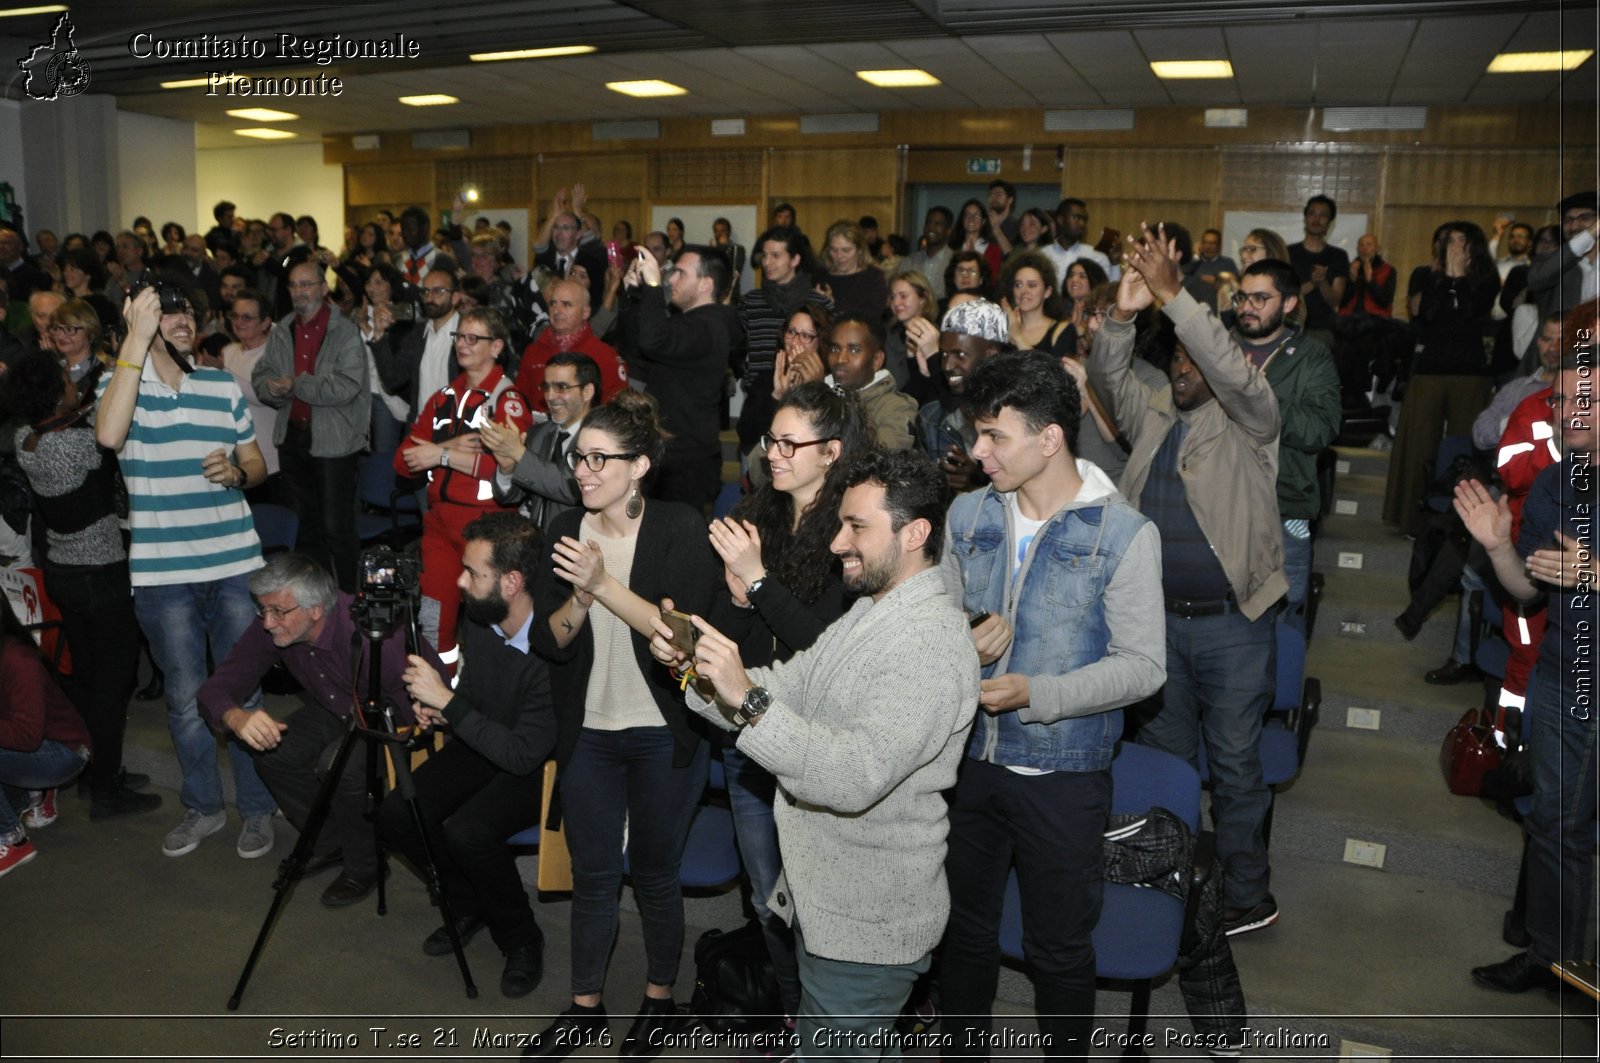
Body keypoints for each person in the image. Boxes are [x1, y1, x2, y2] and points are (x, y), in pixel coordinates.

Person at [649, 447, 979, 1056]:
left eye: (857, 527)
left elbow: (850, 775)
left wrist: (745, 698)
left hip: (867, 925)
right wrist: (699, 670)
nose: (837, 544)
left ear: (917, 533)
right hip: (826, 907)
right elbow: (787, 685)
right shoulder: (872, 614)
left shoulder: (928, 645)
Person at [939, 349, 1165, 1059]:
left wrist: (1040, 693)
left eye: (993, 436)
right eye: (976, 433)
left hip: (1063, 779)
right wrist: (959, 646)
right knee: (963, 932)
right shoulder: (967, 514)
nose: (978, 452)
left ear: (1049, 437)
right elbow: (929, 625)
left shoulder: (1121, 533)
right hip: (968, 760)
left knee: (1060, 950)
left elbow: (1144, 667)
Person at [1090, 223, 1287, 936]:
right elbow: (1108, 379)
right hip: (1158, 623)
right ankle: (1168, 873)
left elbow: (1232, 372)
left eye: (1193, 356)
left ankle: (1246, 891)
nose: (1182, 365)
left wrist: (1176, 298)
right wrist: (1121, 313)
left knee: (1234, 765)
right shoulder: (1155, 418)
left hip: (1233, 621)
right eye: (1174, 355)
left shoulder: (1250, 419)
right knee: (1169, 762)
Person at [526, 390, 718, 1060]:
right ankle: (585, 1007)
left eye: (600, 458)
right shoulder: (561, 530)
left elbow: (685, 637)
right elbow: (551, 642)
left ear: (639, 466)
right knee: (595, 872)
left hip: (662, 727)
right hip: (590, 731)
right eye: (579, 457)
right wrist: (579, 599)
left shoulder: (678, 526)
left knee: (657, 872)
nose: (584, 470)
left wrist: (605, 583)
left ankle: (660, 1000)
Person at [705, 382, 872, 1024]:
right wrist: (728, 607)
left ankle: (823, 1026)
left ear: (831, 452)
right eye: (770, 440)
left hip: (817, 742)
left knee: (818, 908)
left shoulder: (854, 531)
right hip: (749, 732)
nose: (772, 453)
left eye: (787, 443)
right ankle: (790, 1017)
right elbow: (744, 637)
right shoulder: (760, 517)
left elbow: (827, 651)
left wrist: (757, 581)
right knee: (765, 901)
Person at [95, 285, 276, 860]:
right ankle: (203, 806)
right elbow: (107, 435)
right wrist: (135, 339)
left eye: (189, 313)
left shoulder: (219, 384)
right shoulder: (120, 385)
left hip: (235, 566)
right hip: (162, 573)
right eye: (166, 312)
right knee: (183, 698)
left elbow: (257, 463)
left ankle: (256, 808)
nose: (182, 321)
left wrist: (237, 475)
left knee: (244, 688)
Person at [1457, 325, 1596, 993]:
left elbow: (1582, 573)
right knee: (1550, 821)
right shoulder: (1551, 488)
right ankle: (1553, 954)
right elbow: (1527, 590)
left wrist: (1594, 571)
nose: (1568, 413)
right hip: (1562, 672)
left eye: (1586, 402)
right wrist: (1497, 547)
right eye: (1562, 400)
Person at [198, 553, 447, 908]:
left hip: (395, 717)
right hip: (336, 707)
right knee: (274, 754)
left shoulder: (376, 635)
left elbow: (425, 710)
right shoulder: (278, 620)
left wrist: (402, 750)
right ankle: (332, 843)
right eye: (262, 611)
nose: (267, 623)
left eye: (277, 612)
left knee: (342, 768)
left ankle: (365, 866)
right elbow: (216, 688)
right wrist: (237, 717)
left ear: (316, 609)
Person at [377, 513, 557, 998]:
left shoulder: (554, 646)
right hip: (485, 739)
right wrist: (443, 711)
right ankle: (468, 901)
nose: (459, 581)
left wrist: (450, 704)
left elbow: (523, 755)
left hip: (540, 765)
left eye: (473, 573)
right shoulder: (481, 618)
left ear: (512, 581)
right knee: (399, 811)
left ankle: (521, 937)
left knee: (469, 831)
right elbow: (475, 696)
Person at [4, 349, 159, 820]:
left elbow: (86, 412)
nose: (74, 384)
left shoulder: (22, 438)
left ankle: (98, 773)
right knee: (115, 685)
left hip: (64, 574)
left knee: (90, 681)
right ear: (54, 393)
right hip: (100, 575)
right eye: (66, 380)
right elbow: (108, 424)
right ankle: (107, 789)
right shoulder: (74, 444)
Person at [395, 307, 534, 661]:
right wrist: (446, 447)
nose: (463, 344)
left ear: (497, 347)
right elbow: (403, 460)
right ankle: (437, 690)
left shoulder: (507, 400)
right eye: (459, 337)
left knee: (488, 618)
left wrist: (439, 456)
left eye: (474, 338)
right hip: (438, 523)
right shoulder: (442, 397)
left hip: (486, 526)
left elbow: (504, 468)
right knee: (432, 615)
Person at [252, 260, 370, 591]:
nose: (300, 291)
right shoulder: (282, 329)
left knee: (336, 528)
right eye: (294, 285)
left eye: (307, 284)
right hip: (292, 438)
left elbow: (347, 386)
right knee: (305, 528)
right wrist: (270, 388)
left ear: (323, 287)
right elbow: (261, 375)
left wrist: (296, 385)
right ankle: (317, 600)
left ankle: (350, 600)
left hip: (334, 442)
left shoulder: (344, 330)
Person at [1382, 221, 1501, 538]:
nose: (1455, 245)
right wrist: (1445, 277)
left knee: (1464, 447)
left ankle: (1460, 522)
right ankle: (1411, 520)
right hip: (1430, 368)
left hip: (1471, 372)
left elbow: (1471, 314)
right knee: (1419, 444)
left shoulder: (1486, 279)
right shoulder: (1425, 275)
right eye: (1449, 239)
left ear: (1474, 244)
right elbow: (1426, 316)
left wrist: (1459, 277)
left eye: (1462, 240)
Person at [624, 244, 742, 511]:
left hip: (686, 462)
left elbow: (654, 341)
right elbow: (639, 346)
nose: (672, 279)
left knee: (677, 546)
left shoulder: (709, 327)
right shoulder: (689, 322)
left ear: (705, 284)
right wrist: (638, 294)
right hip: (669, 456)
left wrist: (653, 287)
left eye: (680, 273)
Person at [0, 594, 94, 878]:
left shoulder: (17, 658)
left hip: (64, 751)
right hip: (32, 747)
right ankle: (28, 795)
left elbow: (27, 735)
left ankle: (11, 840)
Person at [485, 351, 598, 537]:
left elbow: (572, 489)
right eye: (546, 387)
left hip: (579, 549)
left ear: (587, 392)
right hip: (537, 550)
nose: (550, 396)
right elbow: (510, 497)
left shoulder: (601, 438)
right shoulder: (539, 434)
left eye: (561, 387)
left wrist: (519, 454)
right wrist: (507, 469)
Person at [822, 313, 918, 451]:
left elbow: (881, 458)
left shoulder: (897, 407)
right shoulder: (820, 394)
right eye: (835, 349)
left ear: (876, 360)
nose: (841, 358)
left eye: (854, 350)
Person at [998, 250, 1074, 358]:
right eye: (1018, 285)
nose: (1024, 291)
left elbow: (1051, 373)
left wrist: (1017, 336)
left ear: (1047, 292)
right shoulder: (1005, 329)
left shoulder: (1063, 330)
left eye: (1032, 285)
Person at [886, 270, 939, 404]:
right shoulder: (887, 335)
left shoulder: (934, 337)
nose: (896, 303)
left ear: (923, 298)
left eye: (903, 296)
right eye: (893, 297)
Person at [819, 219, 888, 321]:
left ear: (860, 250)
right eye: (834, 250)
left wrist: (832, 306)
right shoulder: (820, 276)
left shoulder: (873, 277)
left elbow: (870, 319)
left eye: (846, 250)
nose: (839, 256)